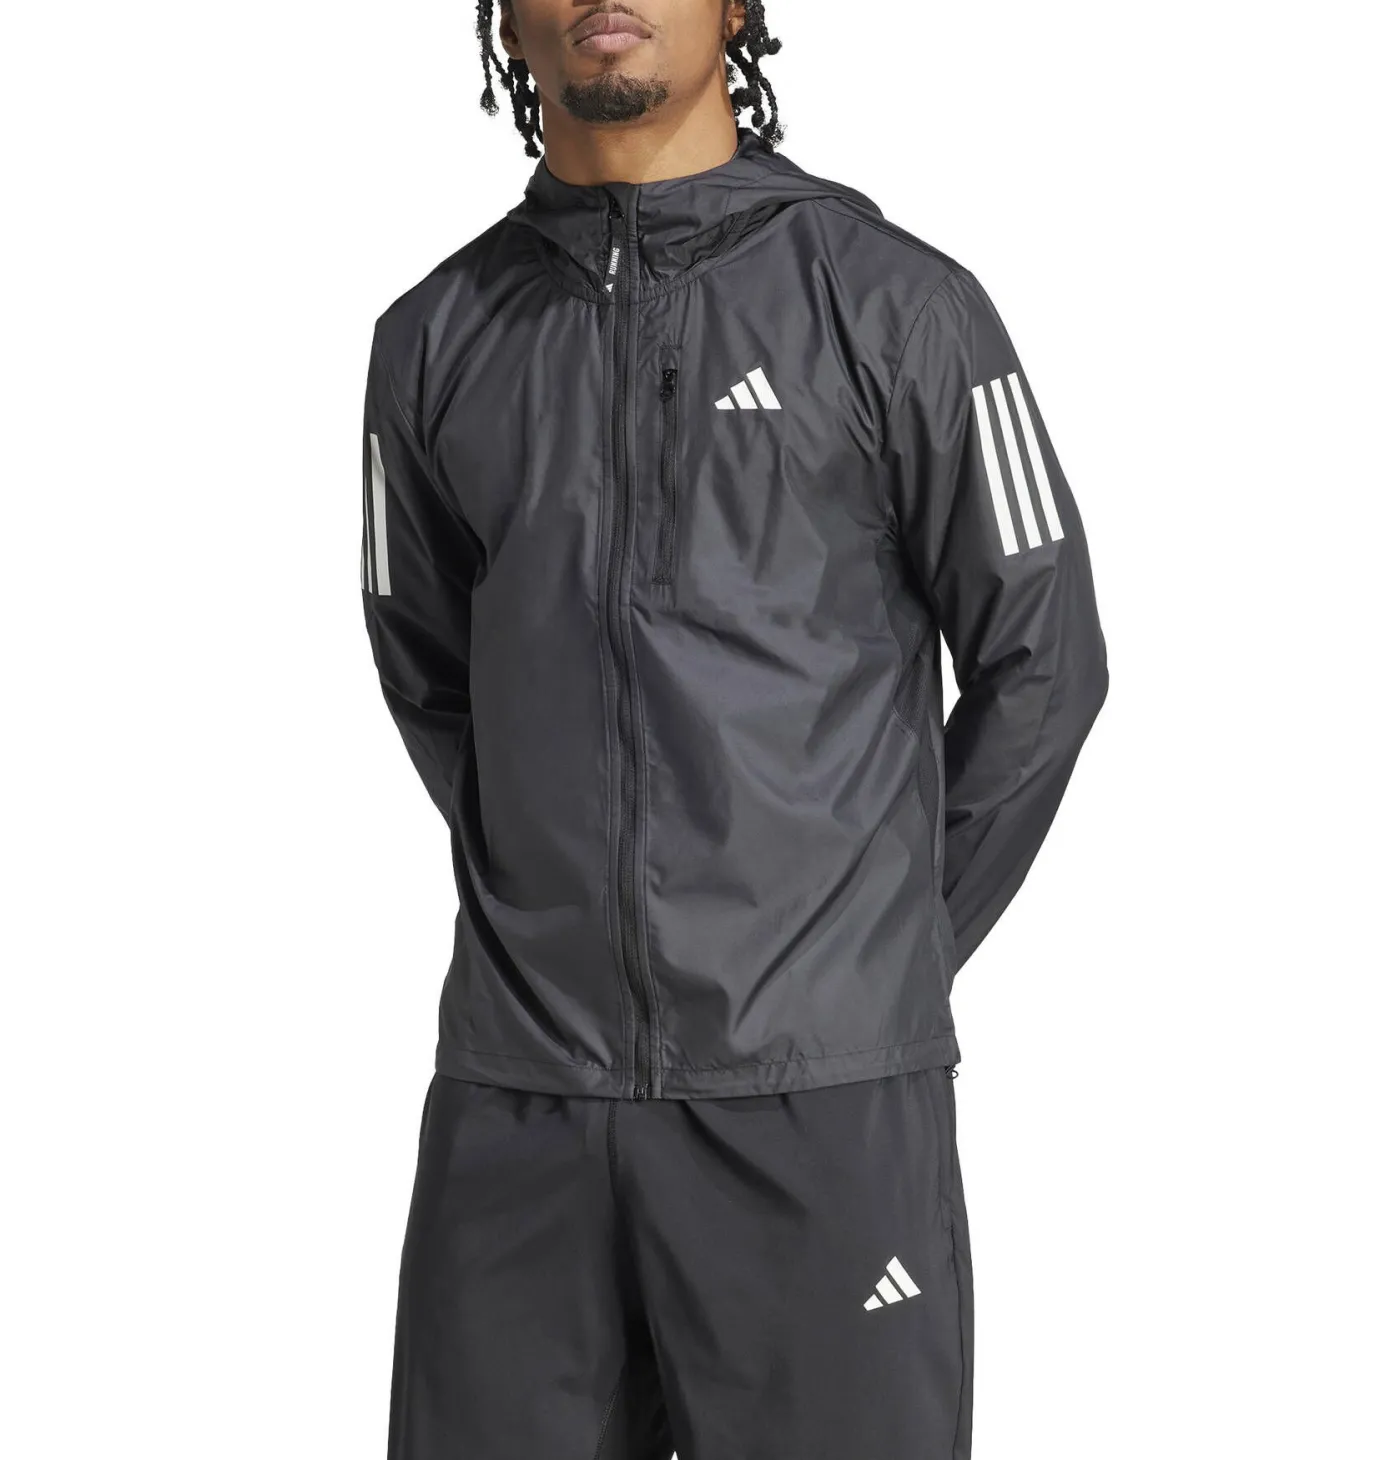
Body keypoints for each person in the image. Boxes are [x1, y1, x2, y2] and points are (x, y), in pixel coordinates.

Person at [359, 3, 1108, 1455]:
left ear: (742, 7)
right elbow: (433, 673)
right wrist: (562, 924)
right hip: (522, 1104)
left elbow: (1047, 663)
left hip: (816, 1111)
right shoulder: (433, 339)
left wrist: (868, 954)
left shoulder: (898, 308)